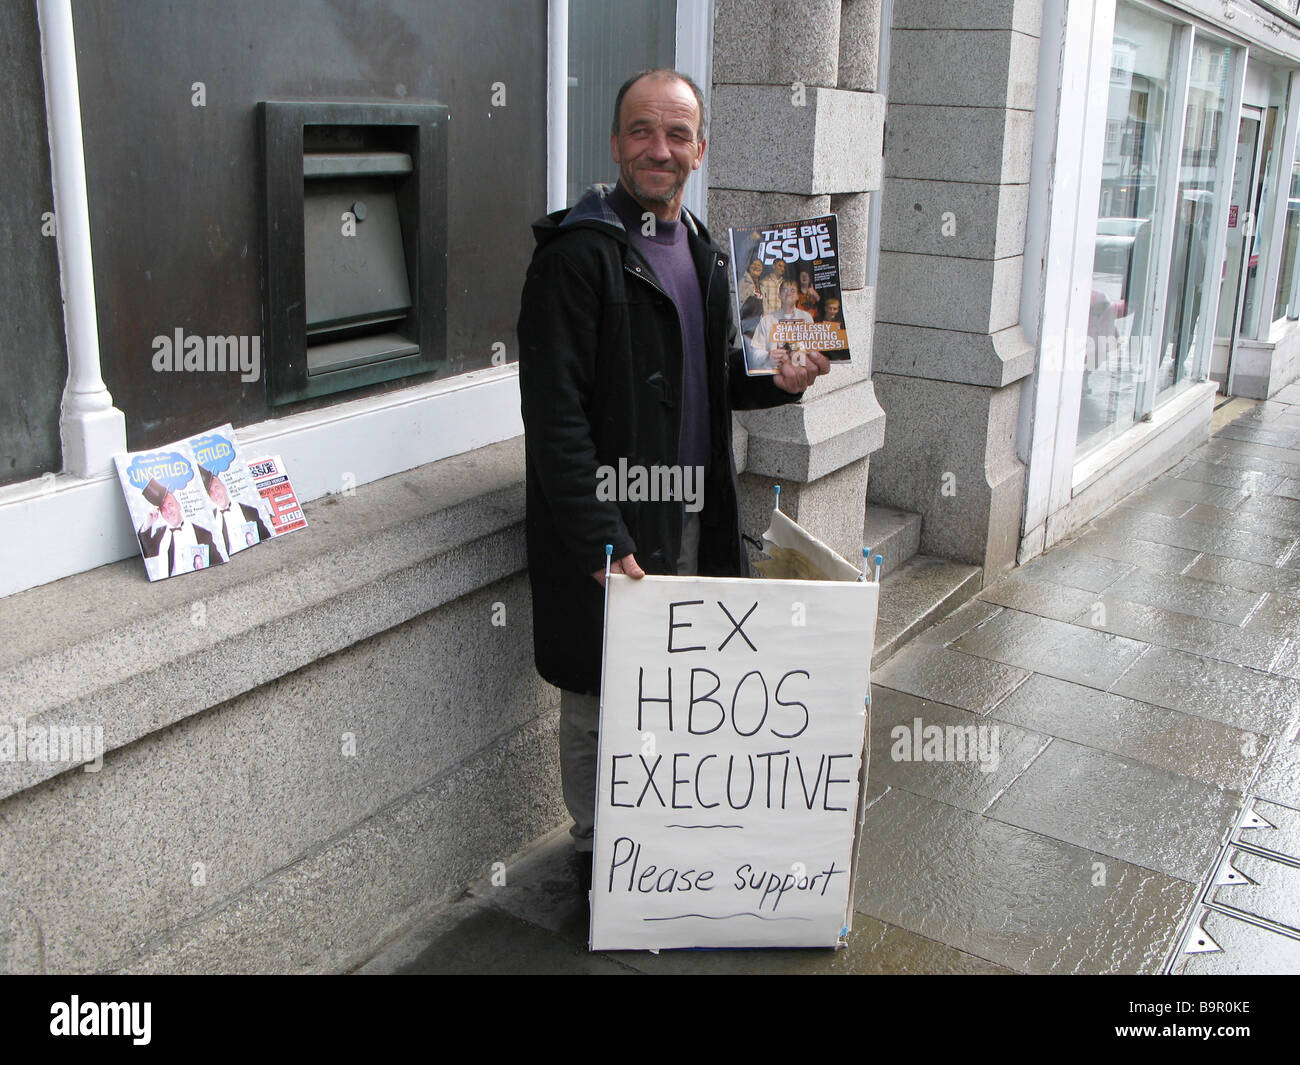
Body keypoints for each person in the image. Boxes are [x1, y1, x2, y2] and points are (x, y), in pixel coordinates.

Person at [517, 68, 829, 891]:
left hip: (696, 516)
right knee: (597, 692)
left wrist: (777, 379)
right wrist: (599, 535)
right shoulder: (575, 256)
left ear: (700, 148)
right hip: (614, 522)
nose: (661, 149)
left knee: (678, 687)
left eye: (678, 134)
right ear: (616, 142)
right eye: (643, 131)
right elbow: (555, 418)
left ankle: (661, 843)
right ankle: (597, 859)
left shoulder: (701, 247)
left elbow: (715, 371)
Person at [136, 477, 224, 579]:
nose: (168, 511)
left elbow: (218, 563)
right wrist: (148, 523)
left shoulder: (202, 533)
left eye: (170, 505)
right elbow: (146, 552)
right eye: (163, 508)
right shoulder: (159, 534)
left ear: (179, 505)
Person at [749, 278, 818, 373]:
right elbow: (754, 352)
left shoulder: (807, 318)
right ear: (779, 295)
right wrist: (768, 356)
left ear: (798, 296)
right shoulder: (766, 320)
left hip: (800, 372)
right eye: (785, 290)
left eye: (793, 290)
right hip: (773, 375)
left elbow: (814, 347)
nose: (788, 293)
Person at [200, 465, 270, 556]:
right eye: (210, 492)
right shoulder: (210, 522)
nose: (215, 494)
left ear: (224, 487)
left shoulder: (250, 511)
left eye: (217, 488)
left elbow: (266, 537)